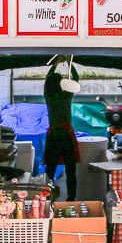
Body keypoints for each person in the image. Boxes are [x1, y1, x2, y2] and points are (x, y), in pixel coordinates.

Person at [43, 56, 79, 200]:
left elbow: (47, 79)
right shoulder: (66, 96)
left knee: (50, 169)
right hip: (66, 134)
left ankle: (46, 197)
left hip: (53, 134)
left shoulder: (48, 96)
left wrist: (56, 63)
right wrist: (69, 63)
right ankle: (71, 198)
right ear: (60, 84)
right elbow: (76, 78)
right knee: (71, 169)